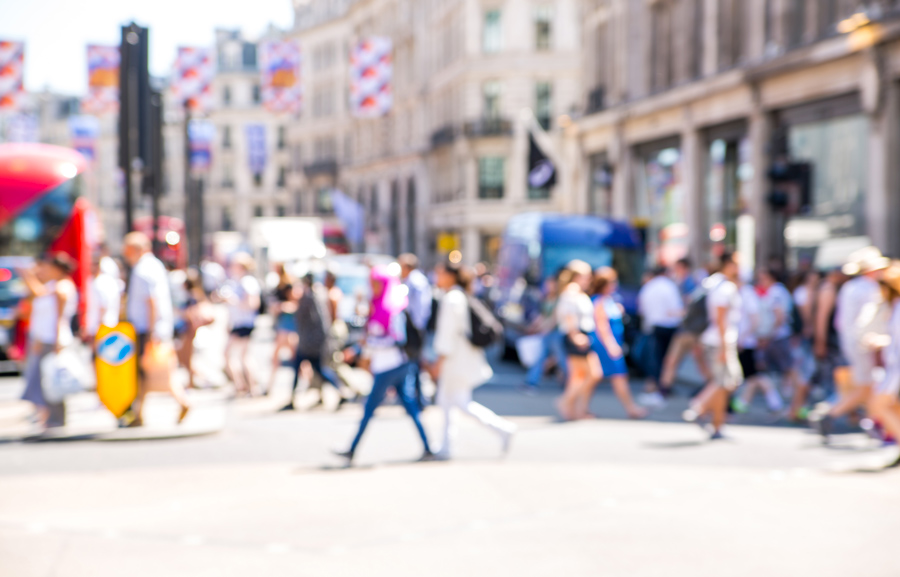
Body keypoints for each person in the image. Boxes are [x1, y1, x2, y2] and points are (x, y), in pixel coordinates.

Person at [334, 265, 434, 464]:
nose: (373, 286)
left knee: (370, 408)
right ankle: (428, 447)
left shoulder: (393, 307)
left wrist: (366, 346)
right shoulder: (376, 304)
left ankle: (351, 450)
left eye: (377, 282)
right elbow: (370, 334)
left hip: (392, 365)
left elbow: (396, 339)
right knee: (409, 405)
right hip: (386, 364)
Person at [431, 260, 516, 459]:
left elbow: (447, 334)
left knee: (458, 403)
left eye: (440, 272)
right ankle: (446, 445)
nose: (437, 276)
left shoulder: (452, 298)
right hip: (462, 357)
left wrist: (439, 361)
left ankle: (502, 428)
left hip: (455, 359)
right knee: (448, 402)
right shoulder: (458, 295)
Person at [812, 247, 890, 439]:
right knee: (870, 386)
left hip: (853, 343)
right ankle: (834, 414)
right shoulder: (870, 289)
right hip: (866, 344)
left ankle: (875, 422)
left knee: (870, 385)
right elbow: (865, 321)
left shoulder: (851, 287)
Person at [123, 232, 188, 426]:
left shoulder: (143, 269)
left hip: (147, 328)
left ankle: (180, 402)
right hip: (154, 327)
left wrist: (151, 332)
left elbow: (151, 302)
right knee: (148, 372)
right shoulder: (154, 265)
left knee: (150, 371)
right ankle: (139, 413)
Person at [682, 253, 743, 440]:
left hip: (714, 339)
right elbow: (721, 319)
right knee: (727, 381)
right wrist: (725, 347)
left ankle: (717, 424)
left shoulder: (714, 283)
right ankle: (699, 407)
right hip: (720, 341)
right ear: (729, 265)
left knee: (724, 383)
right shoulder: (725, 287)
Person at [19, 253, 78, 429]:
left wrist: (57, 340)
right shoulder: (52, 285)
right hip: (43, 338)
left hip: (52, 340)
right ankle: (49, 416)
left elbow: (58, 317)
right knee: (43, 379)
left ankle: (56, 418)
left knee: (51, 380)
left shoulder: (62, 286)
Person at [590, 267, 647, 419]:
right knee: (617, 376)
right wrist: (611, 345)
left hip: (611, 343)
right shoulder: (600, 301)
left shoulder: (609, 300)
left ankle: (578, 406)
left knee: (594, 377)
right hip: (606, 345)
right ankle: (631, 408)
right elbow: (601, 325)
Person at [286, 273, 341, 410]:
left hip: (310, 343)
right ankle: (293, 399)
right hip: (312, 341)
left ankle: (340, 390)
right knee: (315, 370)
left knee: (319, 370)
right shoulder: (317, 296)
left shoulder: (309, 298)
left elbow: (317, 322)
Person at [556, 260, 602, 421]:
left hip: (582, 334)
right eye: (586, 275)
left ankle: (578, 408)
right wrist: (575, 335)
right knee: (586, 374)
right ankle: (566, 402)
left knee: (586, 374)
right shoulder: (572, 291)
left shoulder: (578, 291)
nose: (589, 279)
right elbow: (569, 315)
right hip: (577, 335)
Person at [636, 265, 684, 408]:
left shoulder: (648, 287)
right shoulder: (669, 286)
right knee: (667, 360)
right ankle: (662, 387)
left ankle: (656, 385)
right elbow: (675, 309)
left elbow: (642, 309)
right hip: (668, 327)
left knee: (655, 358)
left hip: (653, 327)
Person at [867, 262, 900, 467]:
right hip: (894, 367)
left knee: (879, 405)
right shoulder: (894, 306)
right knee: (888, 407)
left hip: (896, 370)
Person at [220, 254, 261, 397]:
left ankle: (246, 385)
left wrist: (234, 301)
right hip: (239, 323)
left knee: (237, 355)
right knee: (240, 356)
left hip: (244, 324)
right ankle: (245, 385)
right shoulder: (237, 281)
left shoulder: (247, 282)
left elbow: (252, 304)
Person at [399, 253, 433, 407]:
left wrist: (417, 328)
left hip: (415, 328)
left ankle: (416, 399)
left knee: (413, 362)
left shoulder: (414, 281)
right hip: (417, 327)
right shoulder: (417, 279)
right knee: (416, 363)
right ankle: (420, 398)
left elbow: (417, 308)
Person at [523, 277, 567, 392]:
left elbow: (555, 318)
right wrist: (533, 326)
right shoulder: (546, 299)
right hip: (547, 333)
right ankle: (531, 382)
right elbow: (542, 316)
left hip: (556, 333)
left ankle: (570, 382)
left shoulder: (559, 299)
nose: (548, 287)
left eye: (551, 285)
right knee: (540, 357)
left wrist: (545, 328)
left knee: (561, 359)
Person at [177, 270, 214, 390]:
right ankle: (197, 380)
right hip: (190, 330)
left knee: (186, 358)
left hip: (189, 331)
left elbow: (191, 312)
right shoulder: (198, 294)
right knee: (187, 358)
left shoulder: (191, 296)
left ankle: (197, 381)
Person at [268, 263, 298, 394]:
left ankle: (306, 383)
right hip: (281, 323)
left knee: (294, 356)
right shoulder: (277, 285)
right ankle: (271, 384)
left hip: (289, 324)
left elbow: (296, 304)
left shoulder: (289, 285)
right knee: (280, 356)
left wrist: (281, 306)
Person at [83, 254, 121, 344]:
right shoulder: (111, 282)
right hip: (109, 324)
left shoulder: (100, 282)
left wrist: (97, 327)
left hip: (100, 327)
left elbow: (102, 306)